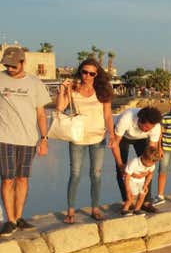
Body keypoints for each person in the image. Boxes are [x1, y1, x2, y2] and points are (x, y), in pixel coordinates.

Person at [55, 59, 114, 224]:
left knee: (96, 174)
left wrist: (113, 135)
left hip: (98, 137)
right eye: (84, 72)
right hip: (77, 137)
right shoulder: (73, 88)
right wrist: (62, 91)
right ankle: (71, 211)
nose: (87, 76)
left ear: (97, 74)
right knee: (75, 174)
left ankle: (95, 208)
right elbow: (59, 109)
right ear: (80, 71)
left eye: (91, 73)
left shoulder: (102, 90)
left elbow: (108, 115)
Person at [0, 47, 50, 237]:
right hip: (4, 137)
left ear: (23, 63)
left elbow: (41, 114)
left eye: (13, 65)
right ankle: (10, 220)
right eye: (7, 65)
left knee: (22, 178)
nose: (10, 68)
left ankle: (19, 217)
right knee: (7, 178)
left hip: (28, 139)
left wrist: (44, 138)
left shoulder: (35, 83)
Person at [111, 106, 163, 212]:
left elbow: (151, 150)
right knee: (122, 169)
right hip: (123, 137)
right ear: (140, 121)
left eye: (150, 129)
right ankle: (127, 200)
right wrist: (121, 165)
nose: (148, 130)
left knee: (147, 166)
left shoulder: (155, 126)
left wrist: (147, 170)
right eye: (146, 128)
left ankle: (146, 202)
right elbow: (115, 144)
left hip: (141, 139)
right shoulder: (126, 119)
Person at [121, 146, 159, 216]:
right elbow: (127, 176)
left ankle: (137, 209)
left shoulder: (152, 164)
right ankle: (125, 209)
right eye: (149, 163)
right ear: (144, 158)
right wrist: (128, 189)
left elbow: (150, 174)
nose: (150, 165)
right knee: (131, 197)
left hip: (141, 181)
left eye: (153, 163)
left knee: (142, 195)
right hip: (131, 181)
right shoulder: (134, 162)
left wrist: (146, 185)